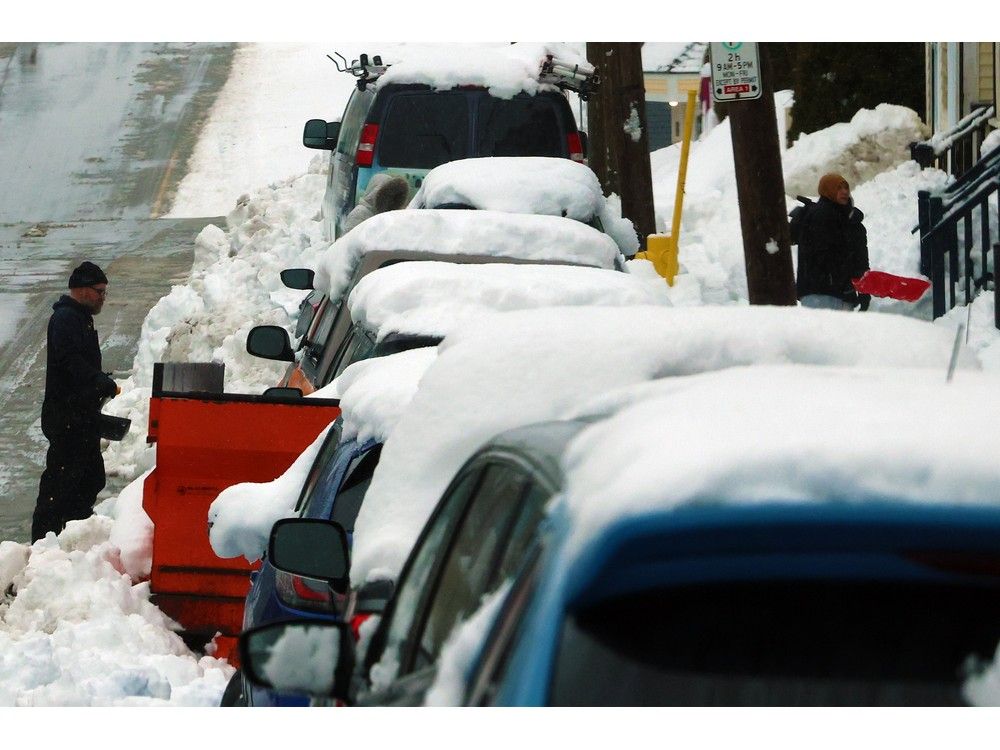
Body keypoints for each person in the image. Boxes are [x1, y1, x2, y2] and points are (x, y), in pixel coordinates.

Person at [32, 261, 119, 542]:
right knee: (60, 484)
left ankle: (75, 534)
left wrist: (98, 383)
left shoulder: (80, 317)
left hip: (82, 417)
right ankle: (44, 544)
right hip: (66, 417)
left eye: (105, 291)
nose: (103, 297)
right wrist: (98, 380)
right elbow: (69, 361)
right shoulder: (66, 319)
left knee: (90, 479)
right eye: (99, 291)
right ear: (81, 290)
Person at [795, 172, 871, 311]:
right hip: (823, 293)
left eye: (846, 188)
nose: (844, 192)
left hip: (839, 294)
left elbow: (858, 258)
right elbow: (825, 256)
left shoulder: (850, 220)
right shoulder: (821, 216)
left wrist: (863, 289)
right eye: (838, 188)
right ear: (827, 190)